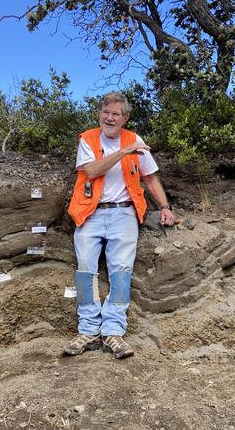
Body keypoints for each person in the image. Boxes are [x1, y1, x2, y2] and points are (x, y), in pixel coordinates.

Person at [64, 92, 175, 359]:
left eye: (116, 114)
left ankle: (113, 332)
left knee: (121, 274)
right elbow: (91, 171)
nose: (109, 117)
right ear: (99, 113)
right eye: (106, 112)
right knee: (85, 273)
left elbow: (150, 178)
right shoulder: (88, 139)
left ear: (125, 118)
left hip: (124, 214)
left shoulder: (135, 140)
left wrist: (165, 207)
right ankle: (88, 330)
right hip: (90, 213)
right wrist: (123, 153)